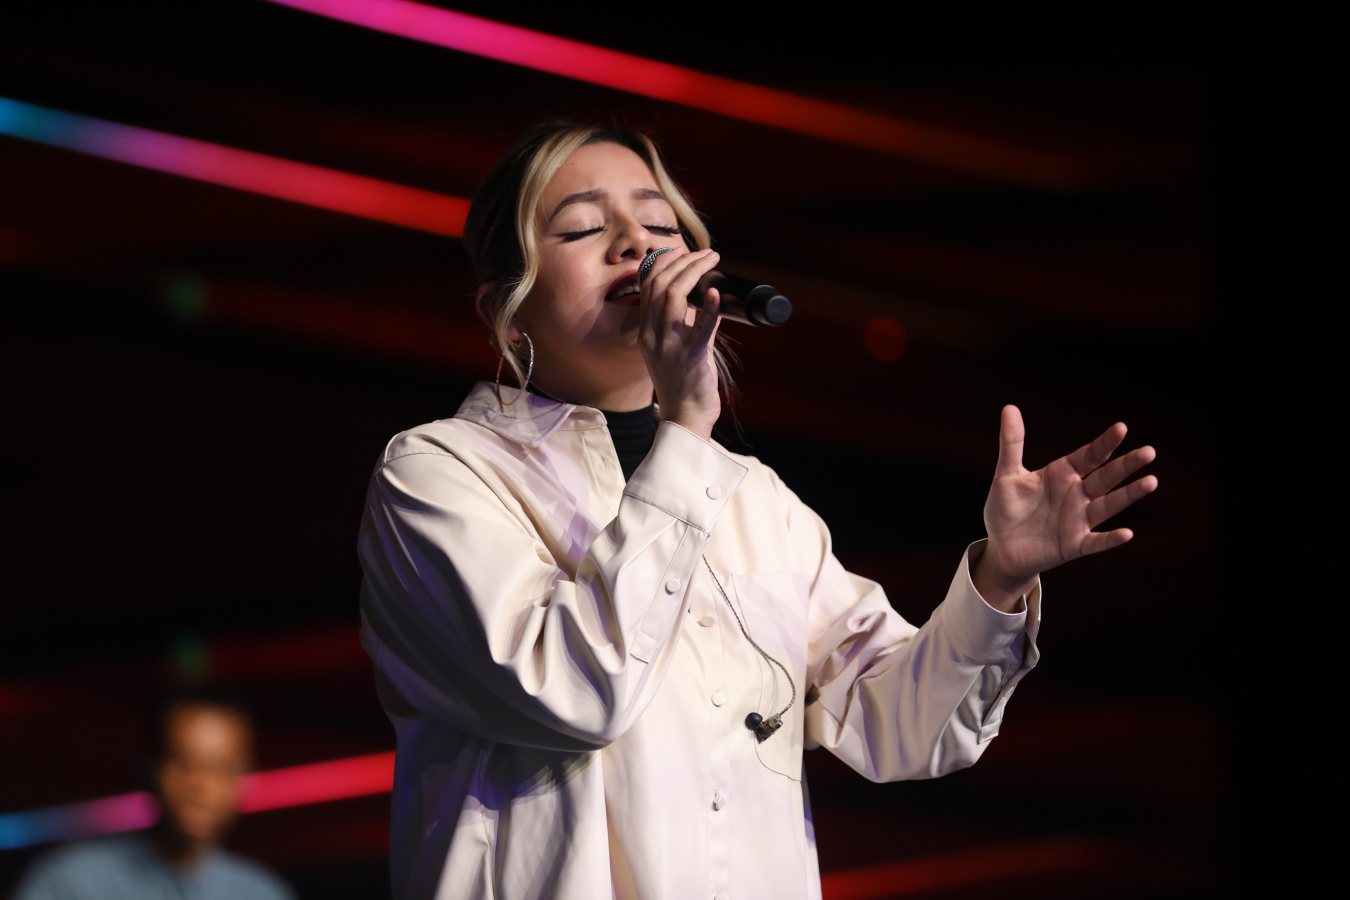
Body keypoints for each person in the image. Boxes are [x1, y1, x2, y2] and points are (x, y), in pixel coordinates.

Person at [356, 123, 1158, 900]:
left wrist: (998, 580)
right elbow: (573, 692)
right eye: (584, 228)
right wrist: (684, 430)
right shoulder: (439, 474)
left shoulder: (754, 499)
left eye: (659, 223)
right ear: (506, 308)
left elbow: (907, 730)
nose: (637, 244)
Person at [14, 689, 293, 900]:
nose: (200, 784)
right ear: (149, 768)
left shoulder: (260, 893)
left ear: (245, 779)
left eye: (221, 767)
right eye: (182, 762)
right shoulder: (70, 883)